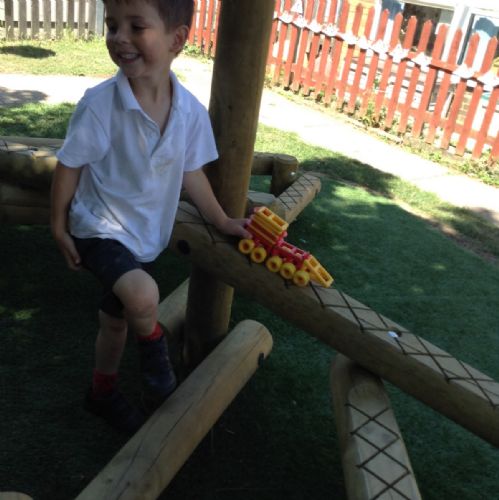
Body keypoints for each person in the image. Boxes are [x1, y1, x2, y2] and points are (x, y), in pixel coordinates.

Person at [50, 0, 250, 434]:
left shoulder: (189, 112)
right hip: (98, 228)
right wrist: (58, 224)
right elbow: (70, 164)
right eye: (112, 25)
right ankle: (158, 368)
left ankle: (101, 392)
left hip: (145, 237)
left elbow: (191, 173)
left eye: (136, 26)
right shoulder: (101, 105)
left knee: (115, 321)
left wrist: (222, 221)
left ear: (177, 39)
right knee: (143, 297)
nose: (119, 38)